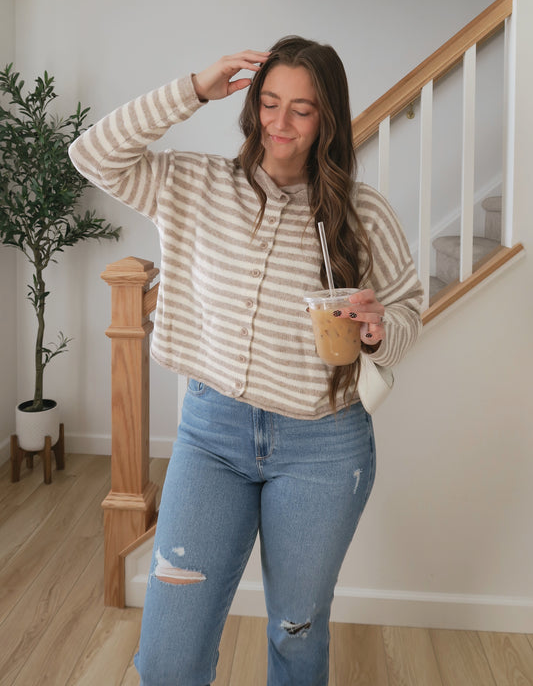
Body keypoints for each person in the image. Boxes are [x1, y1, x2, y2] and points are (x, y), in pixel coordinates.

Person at [69, 36, 423, 686]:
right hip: (212, 435)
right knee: (170, 658)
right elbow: (90, 153)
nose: (279, 123)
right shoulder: (193, 184)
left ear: (328, 121)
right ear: (251, 104)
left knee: (296, 631)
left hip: (323, 447)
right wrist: (192, 89)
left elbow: (405, 314)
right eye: (269, 102)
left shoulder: (361, 213)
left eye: (301, 109)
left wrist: (376, 330)